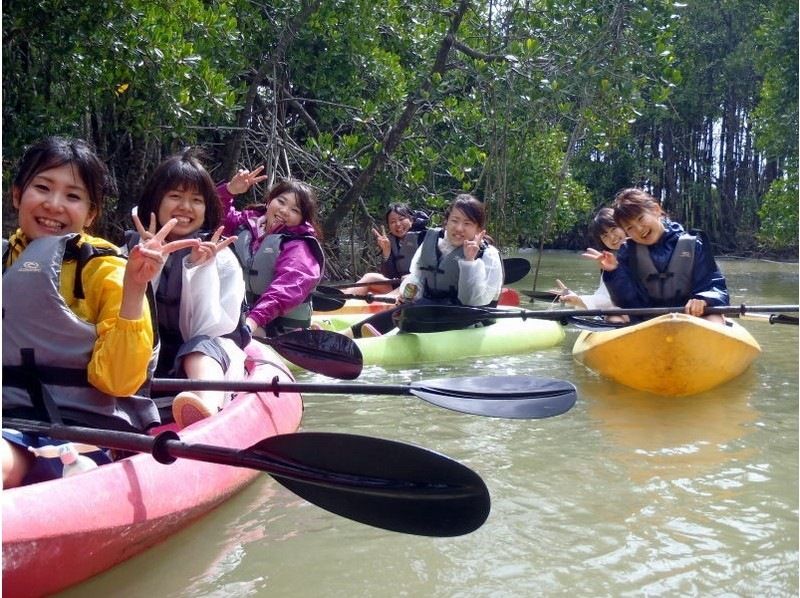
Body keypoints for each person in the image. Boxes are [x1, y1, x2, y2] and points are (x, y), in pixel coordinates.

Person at [2, 136, 196, 488]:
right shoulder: (5, 261)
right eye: (42, 188)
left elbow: (120, 382)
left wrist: (135, 289)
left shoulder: (104, 268)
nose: (54, 204)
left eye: (73, 196)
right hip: (11, 421)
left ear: (91, 214)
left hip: (87, 428)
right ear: (18, 195)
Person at [127, 149, 248, 428]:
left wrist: (198, 270)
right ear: (156, 201)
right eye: (175, 196)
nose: (186, 207)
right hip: (151, 357)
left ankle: (206, 408)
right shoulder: (130, 251)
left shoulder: (223, 259)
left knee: (198, 348)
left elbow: (205, 330)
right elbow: (130, 318)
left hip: (205, 356)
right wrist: (148, 269)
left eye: (196, 200)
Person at [347, 194, 503, 337]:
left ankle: (375, 337)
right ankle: (349, 334)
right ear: (446, 222)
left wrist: (469, 262)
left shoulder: (488, 255)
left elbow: (472, 302)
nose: (459, 228)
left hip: (469, 318)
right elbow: (417, 278)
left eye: (467, 223)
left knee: (413, 312)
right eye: (454, 221)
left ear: (478, 229)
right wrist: (407, 295)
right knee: (406, 309)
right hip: (430, 309)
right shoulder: (433, 242)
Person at [595, 188, 729, 324]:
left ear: (656, 210)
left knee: (715, 318)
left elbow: (714, 284)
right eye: (630, 228)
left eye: (640, 219)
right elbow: (626, 302)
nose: (639, 229)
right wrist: (613, 272)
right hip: (644, 321)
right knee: (614, 317)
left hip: (689, 319)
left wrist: (704, 299)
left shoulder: (695, 245)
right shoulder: (627, 252)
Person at [218, 166, 324, 337]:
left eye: (295, 210)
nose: (284, 211)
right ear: (269, 202)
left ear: (301, 219)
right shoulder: (245, 225)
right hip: (241, 316)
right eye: (281, 202)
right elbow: (212, 216)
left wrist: (251, 322)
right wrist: (229, 190)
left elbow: (286, 289)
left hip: (276, 328)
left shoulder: (299, 247)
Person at [554, 207, 629, 322]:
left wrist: (581, 300)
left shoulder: (645, 248)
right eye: (605, 236)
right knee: (613, 317)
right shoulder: (609, 262)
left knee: (614, 318)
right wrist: (576, 298)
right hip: (628, 314)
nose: (612, 238)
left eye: (614, 229)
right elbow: (606, 298)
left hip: (647, 312)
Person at [340, 203, 429, 297]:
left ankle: (382, 301)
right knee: (369, 277)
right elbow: (389, 277)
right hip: (399, 285)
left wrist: (413, 277)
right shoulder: (392, 242)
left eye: (401, 219)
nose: (398, 224)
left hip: (418, 288)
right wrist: (387, 252)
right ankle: (341, 298)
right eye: (393, 222)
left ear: (411, 220)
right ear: (389, 226)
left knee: (409, 281)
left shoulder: (424, 238)